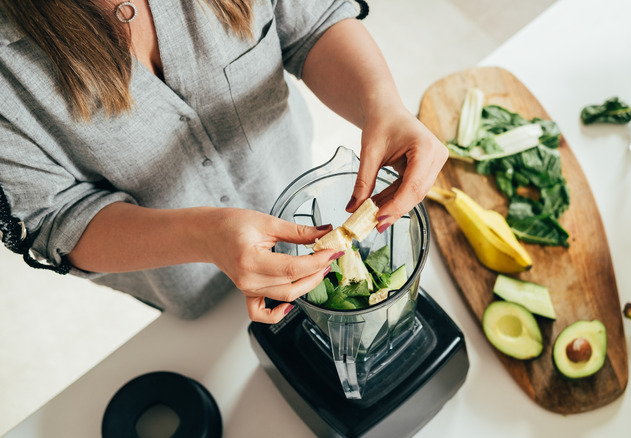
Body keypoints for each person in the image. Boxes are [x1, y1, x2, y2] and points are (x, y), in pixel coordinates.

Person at [0, 0, 447, 324]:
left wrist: (382, 103)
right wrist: (206, 237)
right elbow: (54, 218)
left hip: (285, 182)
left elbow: (312, 22)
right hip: (180, 278)